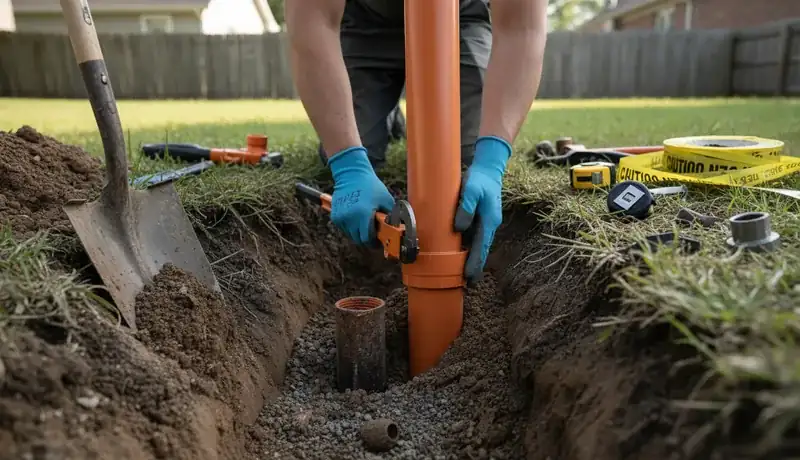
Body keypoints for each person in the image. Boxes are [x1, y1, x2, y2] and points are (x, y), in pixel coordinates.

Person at [285, 0, 548, 283]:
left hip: (458, 22)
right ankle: (387, 115)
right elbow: (313, 22)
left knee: (466, 159)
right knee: (350, 147)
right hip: (365, 24)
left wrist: (491, 161)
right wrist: (348, 164)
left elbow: (521, 28)